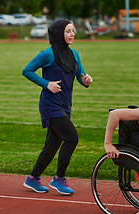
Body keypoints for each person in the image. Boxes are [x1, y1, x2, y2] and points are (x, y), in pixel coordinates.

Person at [22, 19, 93, 195]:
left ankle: (32, 178)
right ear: (58, 33)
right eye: (68, 31)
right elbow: (27, 71)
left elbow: (80, 75)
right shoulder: (47, 54)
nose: (72, 34)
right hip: (50, 105)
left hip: (65, 105)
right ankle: (59, 178)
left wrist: (85, 81)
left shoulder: (74, 54)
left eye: (73, 31)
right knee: (71, 137)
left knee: (53, 144)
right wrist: (46, 84)